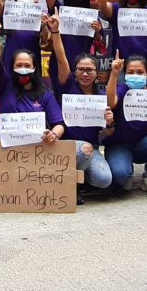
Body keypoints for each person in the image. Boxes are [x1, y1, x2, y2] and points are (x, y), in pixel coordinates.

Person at [50, 23, 114, 193]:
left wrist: (109, 123)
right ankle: (73, 186)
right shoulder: (68, 85)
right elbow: (61, 57)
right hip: (66, 146)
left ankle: (76, 178)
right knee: (83, 150)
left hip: (90, 148)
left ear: (96, 72)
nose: (85, 74)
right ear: (74, 72)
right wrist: (56, 31)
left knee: (104, 180)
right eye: (81, 70)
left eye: (89, 70)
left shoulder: (101, 97)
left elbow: (108, 133)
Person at [0, 12, 66, 146]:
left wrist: (53, 134)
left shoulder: (45, 94)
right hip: (5, 154)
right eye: (19, 65)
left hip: (36, 155)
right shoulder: (5, 84)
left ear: (34, 68)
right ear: (12, 67)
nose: (23, 68)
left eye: (27, 65)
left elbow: (59, 124)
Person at [103, 53, 147, 196]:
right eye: (131, 72)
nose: (135, 75)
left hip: (142, 145)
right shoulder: (121, 90)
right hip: (118, 145)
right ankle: (126, 174)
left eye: (140, 72)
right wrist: (114, 74)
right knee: (121, 175)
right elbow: (110, 102)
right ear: (125, 74)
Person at [54, 0, 103, 72]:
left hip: (86, 67)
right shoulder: (59, 13)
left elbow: (100, 49)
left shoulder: (92, 16)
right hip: (59, 66)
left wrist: (97, 33)